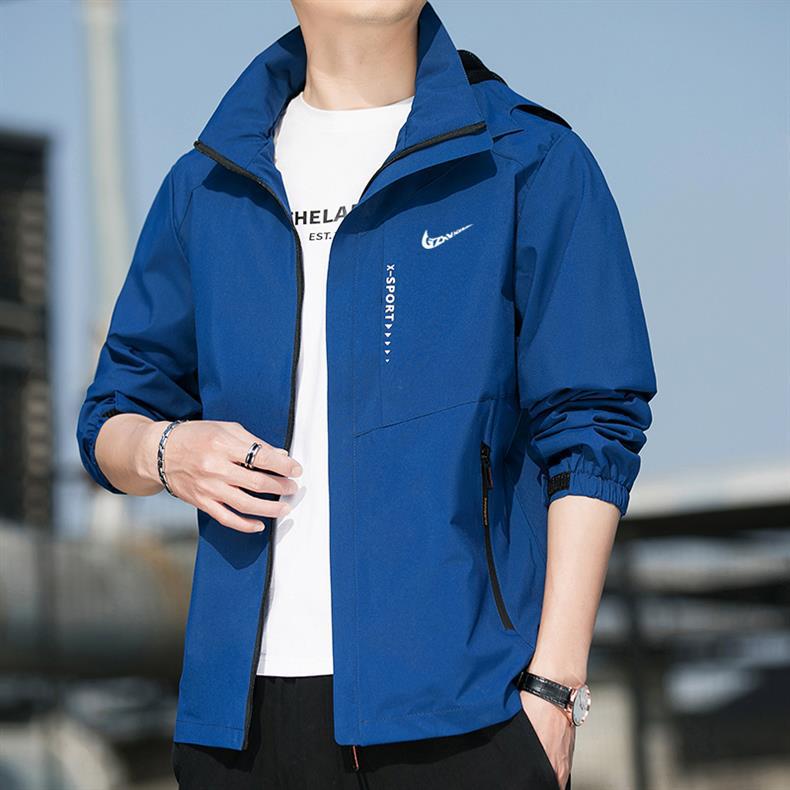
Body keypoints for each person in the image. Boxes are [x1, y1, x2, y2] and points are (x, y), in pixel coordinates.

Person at [76, 1, 657, 788]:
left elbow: (593, 423)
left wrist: (555, 686)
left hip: (464, 716)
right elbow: (111, 415)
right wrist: (166, 450)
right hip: (238, 727)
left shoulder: (526, 160)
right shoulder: (208, 185)